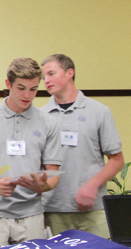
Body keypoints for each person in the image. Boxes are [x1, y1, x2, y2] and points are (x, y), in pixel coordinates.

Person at [0, 57, 63, 247]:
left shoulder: (49, 122)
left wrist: (43, 186)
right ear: (8, 84)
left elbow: (53, 173)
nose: (27, 95)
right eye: (21, 88)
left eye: (33, 89)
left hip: (32, 214)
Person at [40, 54, 124, 238]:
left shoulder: (99, 112)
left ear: (70, 73)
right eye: (43, 77)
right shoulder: (40, 116)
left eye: (51, 74)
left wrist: (92, 185)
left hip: (93, 210)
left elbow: (117, 160)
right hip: (53, 209)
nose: (46, 81)